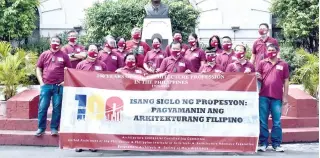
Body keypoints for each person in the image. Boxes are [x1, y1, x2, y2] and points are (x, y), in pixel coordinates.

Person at [35, 36, 72, 136]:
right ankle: (41, 128)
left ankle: (54, 128)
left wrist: (65, 81)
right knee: (43, 107)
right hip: (46, 86)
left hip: (58, 86)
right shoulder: (44, 54)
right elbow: (38, 68)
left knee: (57, 107)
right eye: (53, 41)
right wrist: (41, 82)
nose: (55, 43)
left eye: (58, 42)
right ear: (50, 43)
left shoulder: (64, 56)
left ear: (60, 44)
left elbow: (69, 70)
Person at [256, 44, 289, 152]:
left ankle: (276, 144)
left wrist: (285, 97)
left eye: (272, 50)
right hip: (263, 96)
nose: (270, 52)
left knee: (277, 122)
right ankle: (263, 143)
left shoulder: (283, 64)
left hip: (277, 97)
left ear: (277, 51)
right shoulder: (262, 63)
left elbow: (286, 81)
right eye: (268, 50)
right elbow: (258, 78)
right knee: (263, 121)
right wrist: (258, 77)